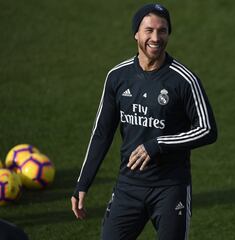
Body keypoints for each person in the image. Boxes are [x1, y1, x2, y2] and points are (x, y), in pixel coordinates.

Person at [71, 3, 217, 240]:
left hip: (170, 188)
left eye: (162, 30)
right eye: (149, 30)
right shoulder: (117, 76)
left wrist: (157, 144)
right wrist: (82, 184)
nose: (156, 38)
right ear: (136, 34)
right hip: (128, 187)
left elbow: (208, 129)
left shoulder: (184, 80)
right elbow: (101, 134)